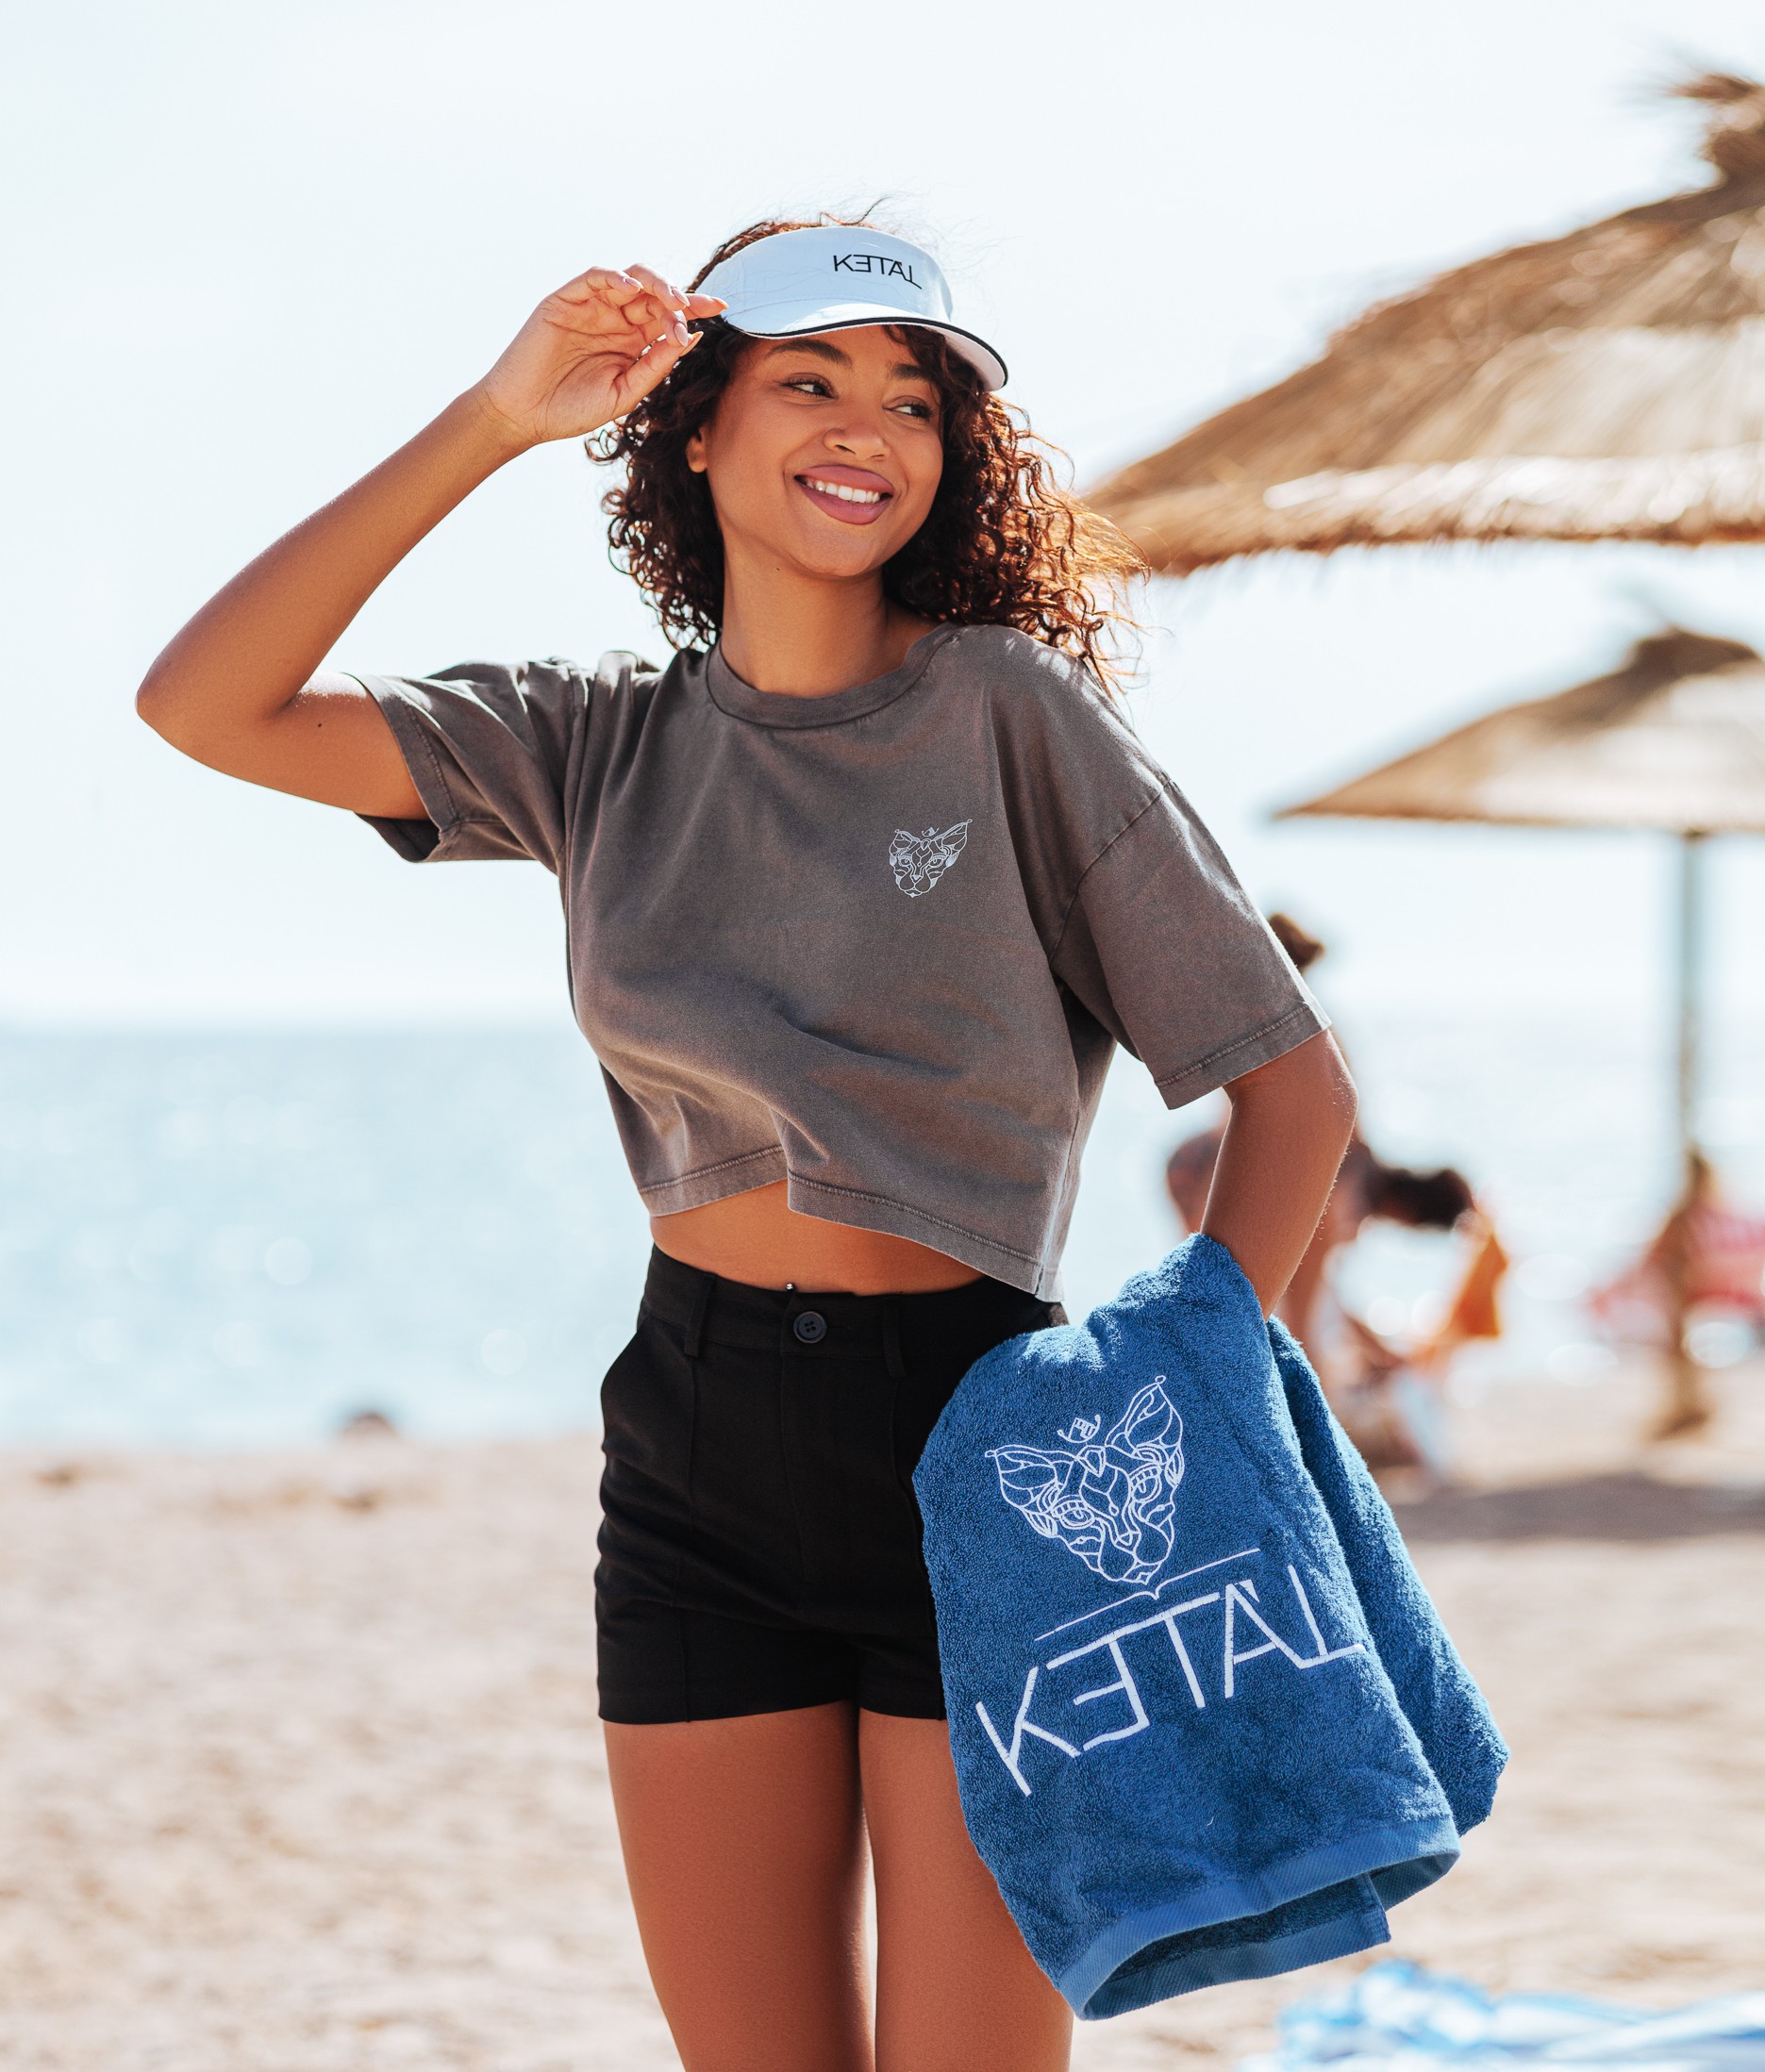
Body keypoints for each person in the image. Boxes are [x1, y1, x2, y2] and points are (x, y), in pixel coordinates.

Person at [138, 219, 1357, 2072]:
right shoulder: (587, 743)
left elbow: (1288, 1089)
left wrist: (1188, 1405)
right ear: (691, 426)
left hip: (986, 1446)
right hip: (690, 1446)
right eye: (808, 375)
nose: (866, 420)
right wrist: (490, 418)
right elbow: (201, 703)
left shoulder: (1008, 715)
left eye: (913, 395)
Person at [1165, 915, 1505, 1477]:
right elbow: (1315, 1288)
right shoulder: (1321, 1044)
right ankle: (1301, 1446)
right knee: (1263, 1308)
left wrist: (1376, 1349)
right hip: (1257, 1169)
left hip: (1197, 1163)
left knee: (1224, 1300)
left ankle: (1257, 1429)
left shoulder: (1265, 1021)